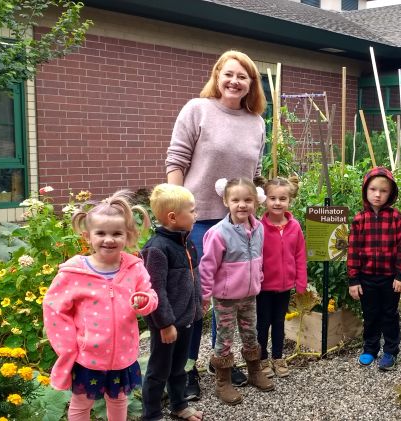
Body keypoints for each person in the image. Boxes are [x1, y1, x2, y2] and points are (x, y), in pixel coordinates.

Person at [165, 49, 267, 399]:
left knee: (229, 296)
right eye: (229, 74)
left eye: (243, 76)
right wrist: (174, 210)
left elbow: (253, 176)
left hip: (237, 223)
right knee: (195, 299)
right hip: (197, 220)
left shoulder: (257, 122)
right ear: (217, 75)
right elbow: (176, 160)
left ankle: (219, 360)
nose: (235, 81)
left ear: (251, 84)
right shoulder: (198, 109)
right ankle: (186, 368)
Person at [43, 191, 158, 421]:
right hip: (87, 356)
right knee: (81, 402)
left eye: (117, 233)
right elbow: (54, 308)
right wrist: (69, 347)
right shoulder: (75, 272)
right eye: (101, 233)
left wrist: (145, 301)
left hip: (123, 354)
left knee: (118, 399)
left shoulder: (134, 268)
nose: (109, 239)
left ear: (128, 235)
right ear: (88, 237)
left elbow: (150, 294)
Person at [200, 177, 274, 405]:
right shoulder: (218, 232)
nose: (242, 205)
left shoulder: (259, 227)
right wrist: (204, 295)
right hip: (225, 298)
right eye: (236, 200)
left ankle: (254, 371)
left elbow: (258, 258)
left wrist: (258, 279)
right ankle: (223, 382)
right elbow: (207, 266)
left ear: (256, 202)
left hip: (250, 295)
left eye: (248, 200)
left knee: (251, 333)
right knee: (225, 338)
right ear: (226, 201)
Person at [140, 184, 203, 421]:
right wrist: (165, 324)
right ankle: (152, 414)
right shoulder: (157, 249)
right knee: (159, 370)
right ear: (173, 217)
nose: (196, 215)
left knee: (179, 367)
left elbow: (193, 276)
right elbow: (154, 290)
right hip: (166, 324)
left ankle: (178, 405)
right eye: (192, 211)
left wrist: (200, 301)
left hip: (185, 318)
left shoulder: (187, 241)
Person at [347, 167, 401, 371]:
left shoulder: (396, 218)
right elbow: (353, 251)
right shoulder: (359, 219)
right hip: (366, 278)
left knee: (389, 314)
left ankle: (391, 350)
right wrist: (353, 280)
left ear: (391, 193)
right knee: (371, 313)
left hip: (390, 278)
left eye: (383, 190)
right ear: (365, 191)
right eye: (373, 189)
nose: (377, 194)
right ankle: (370, 348)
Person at [258, 176, 307, 378]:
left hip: (284, 286)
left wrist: (301, 282)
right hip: (263, 286)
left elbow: (300, 255)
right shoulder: (258, 227)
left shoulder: (294, 226)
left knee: (279, 322)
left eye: (282, 198)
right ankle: (261, 358)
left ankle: (278, 357)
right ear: (265, 200)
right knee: (262, 323)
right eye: (272, 198)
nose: (277, 203)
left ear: (289, 200)